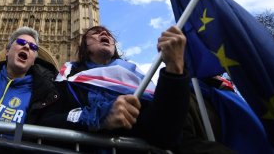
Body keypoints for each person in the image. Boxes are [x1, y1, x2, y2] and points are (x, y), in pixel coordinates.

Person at [36, 25, 191, 152]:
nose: (104, 33)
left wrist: (174, 70)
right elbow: (46, 123)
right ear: (84, 46)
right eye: (95, 33)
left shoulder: (135, 78)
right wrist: (98, 117)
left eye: (108, 34)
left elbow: (165, 133)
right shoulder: (68, 78)